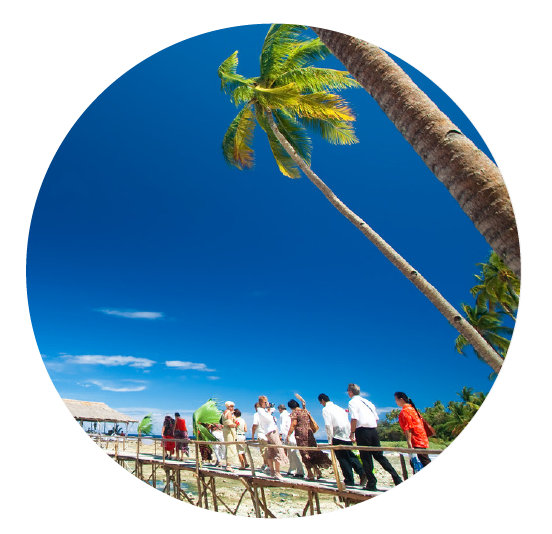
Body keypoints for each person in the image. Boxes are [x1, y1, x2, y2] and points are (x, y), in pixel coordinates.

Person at [347, 383, 402, 491]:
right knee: (379, 456)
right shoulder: (368, 402)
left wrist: (352, 432)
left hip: (362, 430)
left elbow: (354, 418)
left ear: (350, 392)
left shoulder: (352, 402)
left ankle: (371, 483)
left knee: (366, 458)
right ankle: (396, 478)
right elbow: (376, 418)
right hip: (373, 430)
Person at [318, 393, 366, 487]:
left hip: (338, 436)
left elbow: (328, 425)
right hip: (347, 435)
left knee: (343, 459)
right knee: (350, 455)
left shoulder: (326, 409)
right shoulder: (339, 408)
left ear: (322, 400)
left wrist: (329, 440)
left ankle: (349, 479)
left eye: (320, 402)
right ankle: (362, 472)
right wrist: (351, 434)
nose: (321, 404)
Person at [287, 397, 331, 480]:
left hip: (301, 435)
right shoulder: (305, 411)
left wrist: (288, 435)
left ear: (291, 407)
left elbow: (293, 424)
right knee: (312, 452)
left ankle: (310, 474)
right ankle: (317, 471)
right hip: (309, 433)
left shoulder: (294, 413)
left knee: (304, 453)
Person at [394, 391, 432, 469]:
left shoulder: (405, 411)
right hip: (422, 438)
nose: (396, 402)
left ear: (401, 399)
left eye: (396, 400)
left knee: (422, 461)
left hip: (416, 440)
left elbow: (408, 427)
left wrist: (409, 442)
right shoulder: (413, 409)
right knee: (421, 460)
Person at [256, 395, 288, 480]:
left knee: (271, 451)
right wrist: (269, 411)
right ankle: (277, 472)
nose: (267, 404)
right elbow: (269, 419)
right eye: (265, 402)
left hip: (271, 431)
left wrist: (269, 410)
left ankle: (272, 472)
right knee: (279, 450)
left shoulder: (263, 410)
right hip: (270, 431)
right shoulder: (260, 410)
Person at [278, 403, 304, 478]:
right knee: (291, 454)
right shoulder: (289, 414)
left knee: (293, 454)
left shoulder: (282, 415)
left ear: (280, 409)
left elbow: (283, 425)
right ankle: (292, 469)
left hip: (288, 436)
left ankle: (300, 471)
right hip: (292, 435)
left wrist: (280, 434)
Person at [221, 400, 239, 472]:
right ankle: (228, 465)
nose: (233, 407)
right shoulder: (228, 413)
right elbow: (230, 424)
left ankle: (228, 464)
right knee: (230, 446)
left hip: (225, 430)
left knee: (228, 446)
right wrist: (235, 425)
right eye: (232, 406)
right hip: (229, 431)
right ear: (228, 406)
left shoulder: (224, 412)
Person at [251, 402, 269, 472]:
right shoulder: (266, 413)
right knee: (267, 450)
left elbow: (254, 425)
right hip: (268, 434)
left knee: (264, 451)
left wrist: (253, 435)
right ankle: (265, 464)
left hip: (261, 435)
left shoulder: (256, 414)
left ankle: (268, 465)